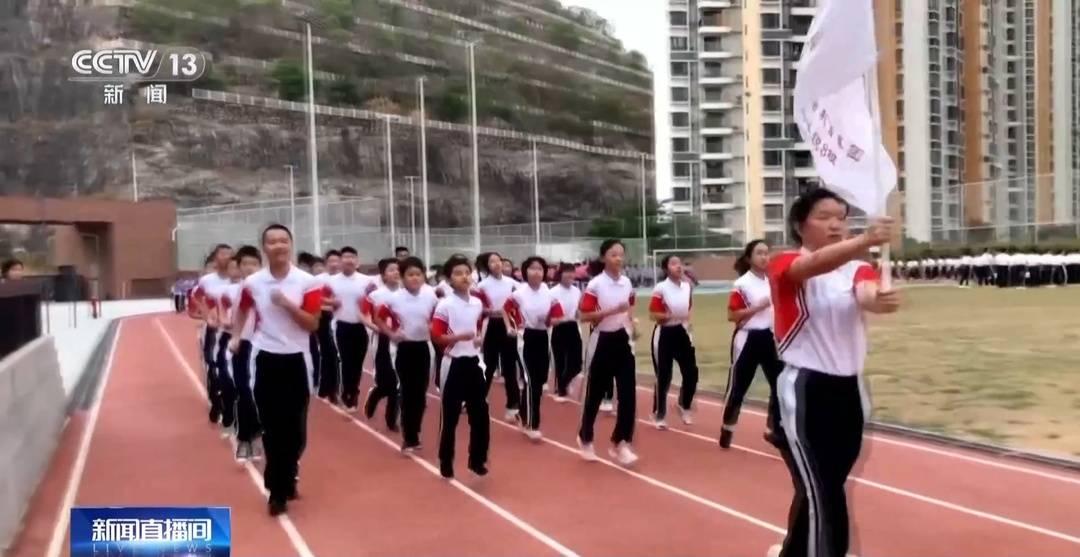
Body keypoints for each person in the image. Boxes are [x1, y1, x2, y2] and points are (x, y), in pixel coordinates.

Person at [765, 188, 900, 557]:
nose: (836, 224)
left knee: (827, 486)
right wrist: (865, 239)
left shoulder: (856, 268)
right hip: (807, 389)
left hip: (850, 391)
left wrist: (880, 299)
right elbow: (807, 268)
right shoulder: (785, 263)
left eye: (841, 217)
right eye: (824, 217)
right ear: (800, 225)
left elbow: (867, 293)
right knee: (823, 493)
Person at [232, 224, 323, 516]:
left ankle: (289, 471)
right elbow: (242, 309)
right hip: (265, 357)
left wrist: (286, 304)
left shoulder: (307, 282)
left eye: (283, 240)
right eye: (272, 242)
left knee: (295, 432)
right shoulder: (253, 282)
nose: (279, 246)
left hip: (297, 358)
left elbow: (312, 323)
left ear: (291, 245)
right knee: (272, 427)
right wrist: (236, 336)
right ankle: (277, 491)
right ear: (264, 248)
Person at [577, 239, 639, 466]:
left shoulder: (626, 282)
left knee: (628, 395)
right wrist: (613, 310)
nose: (618, 258)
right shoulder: (596, 285)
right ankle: (585, 437)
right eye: (613, 254)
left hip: (622, 340)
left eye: (621, 254)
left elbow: (629, 307)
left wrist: (632, 325)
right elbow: (584, 316)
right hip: (601, 340)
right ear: (604, 257)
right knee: (594, 395)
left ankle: (620, 442)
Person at [431, 255, 490, 479]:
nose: (464, 277)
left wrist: (478, 338)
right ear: (449, 279)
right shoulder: (445, 305)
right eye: (458, 273)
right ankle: (446, 461)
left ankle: (477, 460)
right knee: (450, 416)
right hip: (453, 363)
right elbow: (437, 336)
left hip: (473, 362)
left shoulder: (477, 303)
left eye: (467, 272)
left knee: (480, 414)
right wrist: (457, 337)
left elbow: (478, 327)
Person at [723, 240, 784, 449]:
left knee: (780, 384)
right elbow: (732, 315)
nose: (764, 257)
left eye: (767, 253)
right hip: (747, 338)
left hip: (769, 338)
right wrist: (758, 307)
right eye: (759, 253)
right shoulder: (742, 284)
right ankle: (727, 427)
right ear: (749, 258)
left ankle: (773, 428)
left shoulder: (772, 281)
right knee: (738, 388)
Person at [376, 256, 439, 453]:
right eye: (410, 275)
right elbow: (378, 317)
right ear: (402, 277)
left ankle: (415, 431)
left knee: (420, 393)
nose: (415, 278)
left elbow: (438, 318)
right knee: (408, 391)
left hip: (424, 348)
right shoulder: (394, 299)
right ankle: (409, 437)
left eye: (418, 274)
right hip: (403, 349)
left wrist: (434, 328)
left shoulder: (431, 297)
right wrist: (391, 334)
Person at [504, 256, 564, 441]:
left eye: (540, 269)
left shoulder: (549, 292)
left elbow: (558, 316)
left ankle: (522, 413)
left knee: (539, 381)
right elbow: (506, 309)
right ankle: (531, 424)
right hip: (525, 337)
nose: (536, 272)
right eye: (532, 268)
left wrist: (550, 320)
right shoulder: (519, 293)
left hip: (543, 336)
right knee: (531, 381)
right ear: (525, 271)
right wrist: (510, 327)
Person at [648, 254, 699, 430]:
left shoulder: (687, 287)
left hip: (681, 333)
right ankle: (659, 414)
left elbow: (689, 308)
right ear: (666, 269)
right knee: (664, 376)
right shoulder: (661, 288)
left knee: (691, 372)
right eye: (673, 263)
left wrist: (687, 323)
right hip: (664, 333)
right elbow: (653, 315)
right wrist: (669, 316)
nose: (678, 266)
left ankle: (684, 404)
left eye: (680, 263)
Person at [225, 246, 263, 461]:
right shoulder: (235, 290)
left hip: (263, 345)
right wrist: (235, 337)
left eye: (254, 264)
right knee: (243, 391)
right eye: (245, 264)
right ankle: (245, 438)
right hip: (242, 345)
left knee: (256, 393)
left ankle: (253, 436)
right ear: (238, 267)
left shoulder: (265, 288)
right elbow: (232, 318)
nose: (249, 268)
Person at [326, 247, 376, 410]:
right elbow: (320, 300)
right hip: (342, 326)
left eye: (352, 257)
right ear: (340, 261)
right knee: (346, 361)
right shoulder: (331, 281)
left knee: (357, 363)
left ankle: (353, 390)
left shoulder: (367, 282)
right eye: (345, 257)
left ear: (357, 261)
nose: (349, 260)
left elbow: (376, 301)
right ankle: (349, 394)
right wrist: (332, 303)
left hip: (361, 327)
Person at [473, 252, 522, 420]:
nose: (497, 264)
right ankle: (478, 398)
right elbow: (477, 307)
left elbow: (521, 300)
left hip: (508, 326)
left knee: (510, 366)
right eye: (492, 261)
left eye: (498, 260)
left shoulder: (512, 283)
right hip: (492, 325)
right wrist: (490, 311)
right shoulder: (482, 286)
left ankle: (513, 405)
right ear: (487, 266)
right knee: (489, 364)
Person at [194, 244, 234, 425]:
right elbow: (196, 298)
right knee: (213, 366)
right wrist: (206, 316)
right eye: (222, 254)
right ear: (215, 258)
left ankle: (229, 403)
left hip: (232, 329)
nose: (226, 257)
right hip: (212, 330)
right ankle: (216, 401)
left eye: (229, 254)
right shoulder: (207, 280)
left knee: (230, 367)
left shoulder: (239, 280)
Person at [362, 258, 402, 432]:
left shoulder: (406, 294)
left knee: (398, 383)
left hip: (402, 341)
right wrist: (375, 328)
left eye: (398, 269)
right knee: (387, 382)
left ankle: (391, 420)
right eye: (391, 270)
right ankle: (376, 395)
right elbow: (363, 314)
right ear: (383, 275)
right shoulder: (375, 295)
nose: (396, 273)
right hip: (383, 341)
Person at [212, 257, 242, 437]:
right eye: (232, 267)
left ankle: (245, 423)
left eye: (239, 267)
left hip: (247, 339)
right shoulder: (224, 291)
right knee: (226, 380)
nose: (236, 271)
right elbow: (221, 314)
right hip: (227, 337)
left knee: (245, 383)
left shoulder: (252, 288)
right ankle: (228, 418)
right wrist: (226, 322)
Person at [549, 262, 583, 402]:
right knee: (560, 360)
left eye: (572, 272)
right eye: (567, 272)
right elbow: (548, 313)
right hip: (559, 328)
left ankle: (564, 382)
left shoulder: (577, 291)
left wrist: (580, 314)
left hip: (573, 326)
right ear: (560, 274)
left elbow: (578, 310)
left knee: (577, 364)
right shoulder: (552, 292)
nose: (570, 275)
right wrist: (553, 320)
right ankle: (561, 389)